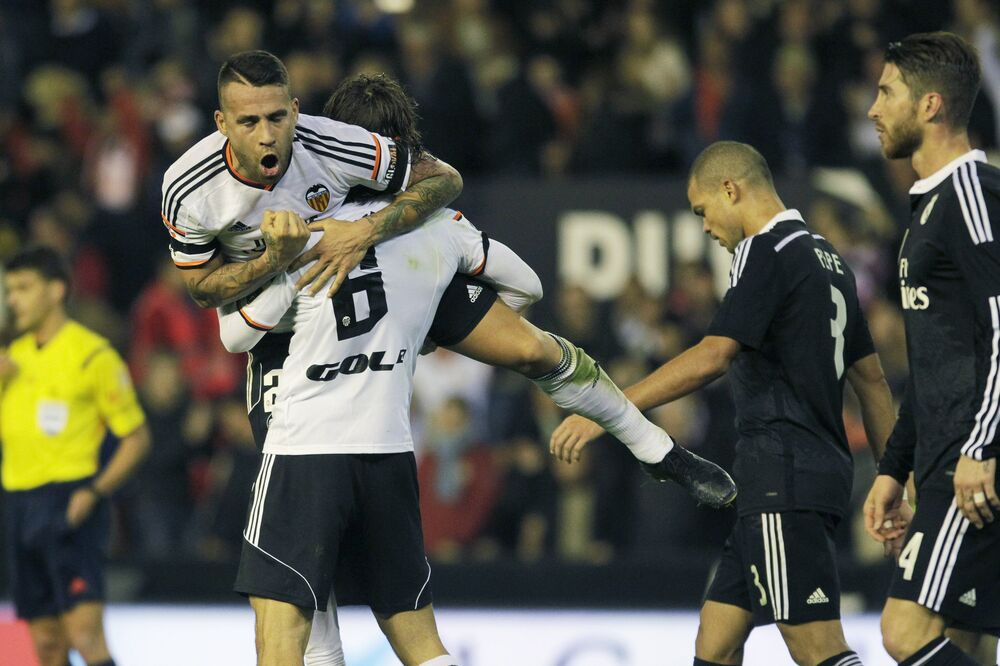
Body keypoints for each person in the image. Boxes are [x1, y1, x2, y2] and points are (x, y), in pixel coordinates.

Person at [221, 73, 736, 666]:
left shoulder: (303, 224)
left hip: (301, 442)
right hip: (387, 451)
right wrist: (427, 317)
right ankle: (654, 447)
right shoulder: (440, 222)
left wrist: (280, 271)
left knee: (295, 634)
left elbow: (235, 334)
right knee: (420, 640)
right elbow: (528, 286)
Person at [551, 141, 897, 666]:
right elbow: (872, 383)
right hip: (801, 475)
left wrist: (611, 407)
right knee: (716, 642)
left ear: (730, 190)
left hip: (785, 475)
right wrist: (894, 477)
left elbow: (714, 355)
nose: (706, 228)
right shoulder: (831, 261)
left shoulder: (764, 250)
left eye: (702, 211)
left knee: (819, 650)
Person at [864, 32, 1000, 666]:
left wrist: (981, 447)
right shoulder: (926, 209)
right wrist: (894, 465)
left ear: (931, 106)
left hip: (971, 468)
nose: (872, 108)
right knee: (967, 641)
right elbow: (935, 359)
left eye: (887, 91)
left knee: (905, 630)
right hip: (950, 461)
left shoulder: (971, 194)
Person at [159, 49, 463, 312]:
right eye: (249, 122)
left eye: (276, 118)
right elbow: (201, 290)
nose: (266, 136)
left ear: (294, 111)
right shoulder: (187, 190)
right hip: (262, 316)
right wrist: (275, 259)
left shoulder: (332, 144)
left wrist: (362, 232)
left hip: (348, 296)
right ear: (222, 124)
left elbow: (445, 179)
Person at [0, 246, 151, 666]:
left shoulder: (93, 355)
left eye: (24, 288)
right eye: (10, 290)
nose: (13, 299)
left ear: (56, 290)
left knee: (85, 635)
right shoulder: (13, 360)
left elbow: (137, 438)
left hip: (70, 502)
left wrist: (93, 491)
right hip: (17, 505)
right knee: (46, 644)